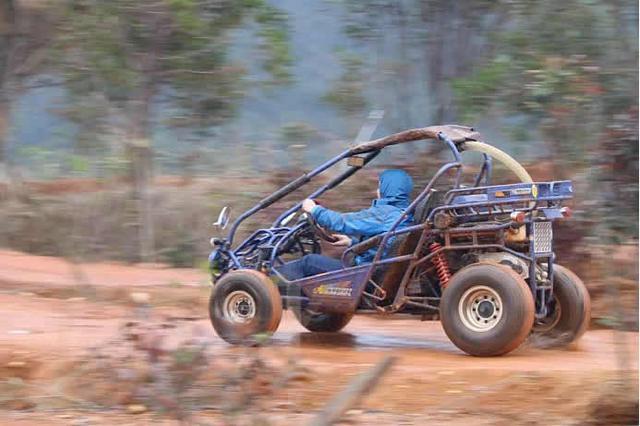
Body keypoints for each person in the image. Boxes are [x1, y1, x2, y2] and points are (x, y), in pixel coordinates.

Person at [276, 169, 414, 280]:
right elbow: (384, 242)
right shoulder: (405, 214)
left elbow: (341, 222)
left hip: (363, 274)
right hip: (376, 272)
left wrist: (314, 209)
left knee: (309, 262)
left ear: (388, 188)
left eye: (380, 186)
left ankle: (263, 286)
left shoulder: (384, 213)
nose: (377, 191)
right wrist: (351, 242)